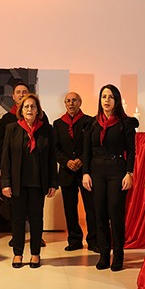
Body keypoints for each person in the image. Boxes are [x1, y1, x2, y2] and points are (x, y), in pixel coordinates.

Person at [82, 85, 136, 272]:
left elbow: (131, 151)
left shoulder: (125, 123)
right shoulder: (92, 124)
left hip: (117, 170)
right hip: (96, 171)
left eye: (110, 97)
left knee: (115, 212)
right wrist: (85, 173)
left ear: (116, 100)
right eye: (104, 96)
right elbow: (87, 150)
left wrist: (129, 173)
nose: (106, 100)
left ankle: (118, 254)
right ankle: (104, 254)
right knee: (100, 213)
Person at [1, 94, 58, 269]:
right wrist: (5, 182)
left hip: (38, 183)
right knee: (17, 220)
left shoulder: (46, 129)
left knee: (36, 220)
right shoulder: (12, 128)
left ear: (38, 110)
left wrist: (53, 183)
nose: (29, 110)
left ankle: (35, 254)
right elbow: (6, 158)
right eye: (26, 107)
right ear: (21, 110)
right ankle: (18, 254)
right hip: (18, 183)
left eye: (33, 107)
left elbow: (51, 158)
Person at [53, 92, 98, 252]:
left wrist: (81, 159)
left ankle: (94, 240)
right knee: (70, 209)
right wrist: (66, 161)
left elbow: (93, 145)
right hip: (67, 172)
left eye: (74, 100)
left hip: (86, 172)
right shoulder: (57, 124)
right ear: (65, 104)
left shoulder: (90, 121)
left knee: (91, 207)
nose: (71, 103)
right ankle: (74, 240)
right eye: (68, 101)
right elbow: (55, 148)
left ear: (80, 102)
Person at [0, 81, 30, 165]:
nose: (21, 95)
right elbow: (1, 143)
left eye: (24, 92)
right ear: (13, 96)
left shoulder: (39, 116)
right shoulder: (7, 119)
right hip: (12, 162)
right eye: (18, 92)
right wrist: (1, 164)